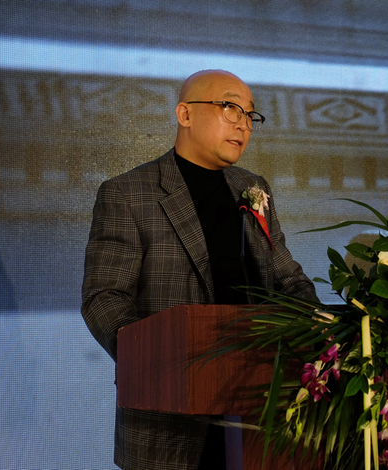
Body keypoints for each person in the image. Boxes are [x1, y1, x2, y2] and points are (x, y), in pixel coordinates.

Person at [81, 70, 318, 470]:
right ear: (185, 114)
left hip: (260, 409)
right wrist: (155, 363)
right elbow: (104, 298)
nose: (243, 124)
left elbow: (288, 279)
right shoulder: (128, 193)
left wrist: (317, 337)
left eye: (250, 114)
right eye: (230, 108)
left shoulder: (253, 188)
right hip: (170, 418)